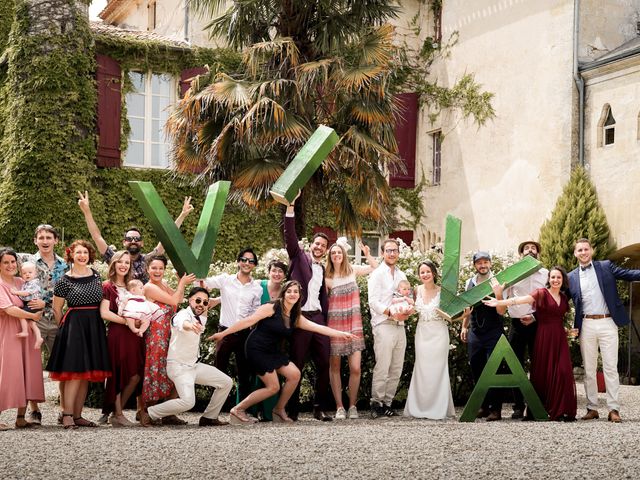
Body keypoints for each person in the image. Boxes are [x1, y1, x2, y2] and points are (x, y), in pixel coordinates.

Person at [212, 280, 355, 424]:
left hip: (272, 351)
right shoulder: (272, 307)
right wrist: (223, 334)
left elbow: (318, 328)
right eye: (289, 291)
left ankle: (279, 410)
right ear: (284, 293)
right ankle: (238, 409)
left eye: (296, 292)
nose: (292, 294)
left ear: (300, 296)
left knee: (294, 374)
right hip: (256, 349)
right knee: (273, 387)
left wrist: (341, 334)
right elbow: (248, 321)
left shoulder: (295, 316)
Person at [484, 266, 577, 421]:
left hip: (559, 339)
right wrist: (499, 301)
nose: (555, 280)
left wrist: (568, 331)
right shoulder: (541, 293)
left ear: (563, 280)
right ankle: (540, 409)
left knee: (562, 372)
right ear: (548, 279)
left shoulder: (563, 297)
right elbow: (519, 300)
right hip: (544, 337)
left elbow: (559, 317)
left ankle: (562, 409)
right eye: (552, 277)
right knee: (543, 373)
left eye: (558, 277)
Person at [568, 238, 640, 423]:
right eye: (579, 250)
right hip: (586, 325)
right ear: (575, 253)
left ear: (591, 250)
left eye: (586, 249)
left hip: (608, 322)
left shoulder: (606, 266)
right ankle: (592, 408)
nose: (583, 252)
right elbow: (558, 299)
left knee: (610, 367)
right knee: (589, 369)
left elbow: (628, 274)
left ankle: (613, 409)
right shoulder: (571, 277)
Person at [45, 240, 111, 429]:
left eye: (85, 252)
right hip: (74, 327)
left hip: (94, 325)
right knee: (74, 373)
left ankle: (77, 415)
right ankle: (66, 415)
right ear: (71, 255)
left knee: (85, 374)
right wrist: (66, 331)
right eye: (78, 252)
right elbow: (57, 309)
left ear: (90, 255)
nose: (82, 255)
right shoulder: (64, 280)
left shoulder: (96, 275)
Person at [147, 288, 232, 426]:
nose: (201, 304)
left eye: (205, 302)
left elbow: (206, 307)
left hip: (193, 366)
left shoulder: (200, 317)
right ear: (189, 300)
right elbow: (183, 324)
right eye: (197, 300)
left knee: (226, 382)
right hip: (178, 367)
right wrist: (191, 326)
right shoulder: (182, 315)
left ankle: (209, 417)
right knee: (188, 402)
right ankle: (150, 413)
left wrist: (220, 295)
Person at [282, 196, 332, 421]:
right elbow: (290, 236)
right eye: (317, 244)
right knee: (297, 363)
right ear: (311, 245)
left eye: (323, 245)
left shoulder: (323, 269)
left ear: (326, 249)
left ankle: (318, 407)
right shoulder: (298, 256)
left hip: (318, 318)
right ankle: (291, 410)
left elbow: (323, 295)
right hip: (300, 318)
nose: (319, 247)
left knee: (324, 362)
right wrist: (291, 208)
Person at [77, 191, 193, 283]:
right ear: (124, 242)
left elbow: (168, 238)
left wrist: (182, 215)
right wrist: (87, 212)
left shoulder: (147, 260)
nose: (133, 241)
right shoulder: (115, 259)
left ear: (141, 243)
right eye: (129, 239)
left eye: (137, 239)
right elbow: (97, 237)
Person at [201, 248, 263, 406]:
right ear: (238, 262)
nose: (246, 263)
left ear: (254, 265)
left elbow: (254, 313)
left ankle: (241, 410)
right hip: (224, 333)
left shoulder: (257, 288)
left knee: (244, 373)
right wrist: (205, 261)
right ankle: (213, 411)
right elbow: (202, 283)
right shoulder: (225, 280)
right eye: (243, 259)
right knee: (218, 371)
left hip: (244, 335)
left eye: (251, 261)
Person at [20, 224, 68, 425]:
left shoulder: (65, 265)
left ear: (56, 240)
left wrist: (46, 302)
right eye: (42, 237)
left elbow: (67, 291)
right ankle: (35, 410)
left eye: (49, 237)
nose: (45, 241)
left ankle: (64, 409)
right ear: (35, 240)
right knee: (32, 365)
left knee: (62, 365)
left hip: (57, 318)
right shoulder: (26, 262)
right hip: (34, 320)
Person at [325, 239, 378, 420]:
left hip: (354, 324)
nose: (337, 255)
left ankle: (352, 405)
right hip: (335, 325)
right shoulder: (327, 277)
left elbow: (375, 267)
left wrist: (367, 254)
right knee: (335, 367)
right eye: (333, 253)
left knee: (355, 367)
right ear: (330, 257)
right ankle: (340, 407)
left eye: (339, 252)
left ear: (344, 255)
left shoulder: (353, 270)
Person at [140, 255, 195, 426]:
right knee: (155, 369)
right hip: (157, 335)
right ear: (147, 269)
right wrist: (181, 284)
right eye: (154, 268)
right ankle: (146, 411)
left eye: (161, 268)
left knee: (169, 369)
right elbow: (172, 299)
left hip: (168, 333)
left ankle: (167, 412)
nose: (157, 271)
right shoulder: (149, 287)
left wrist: (180, 283)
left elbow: (178, 300)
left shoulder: (162, 285)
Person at [503, 240, 548, 419]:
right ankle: (518, 405)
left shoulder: (545, 274)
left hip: (538, 324)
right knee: (515, 365)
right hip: (516, 325)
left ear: (538, 253)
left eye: (533, 248)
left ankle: (537, 404)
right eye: (526, 248)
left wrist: (535, 316)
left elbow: (549, 300)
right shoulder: (513, 274)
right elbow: (505, 296)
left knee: (539, 365)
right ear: (521, 254)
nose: (530, 250)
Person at [0, 248, 45, 430]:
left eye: (13, 262)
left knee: (27, 371)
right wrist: (34, 316)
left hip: (27, 333)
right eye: (6, 262)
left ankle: (20, 417)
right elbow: (9, 309)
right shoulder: (0, 284)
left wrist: (41, 305)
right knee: (7, 373)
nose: (11, 265)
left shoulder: (22, 281)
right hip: (8, 332)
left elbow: (36, 300)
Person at [404, 260, 455, 419]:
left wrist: (465, 314)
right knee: (422, 368)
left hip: (439, 333)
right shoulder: (415, 290)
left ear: (433, 273)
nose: (425, 274)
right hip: (422, 333)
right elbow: (412, 311)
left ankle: (438, 408)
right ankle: (419, 407)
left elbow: (452, 313)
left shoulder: (443, 291)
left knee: (438, 369)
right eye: (422, 272)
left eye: (427, 271)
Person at [368, 239, 413, 418]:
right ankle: (376, 402)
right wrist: (390, 313)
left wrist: (407, 312)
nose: (392, 253)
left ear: (398, 253)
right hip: (383, 323)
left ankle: (387, 402)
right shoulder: (377, 274)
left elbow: (406, 297)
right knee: (383, 365)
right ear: (383, 253)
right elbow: (373, 301)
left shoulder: (402, 275)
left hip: (400, 324)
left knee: (396, 367)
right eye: (388, 250)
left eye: (395, 250)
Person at [460, 251, 506, 422]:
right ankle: (483, 406)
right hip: (475, 332)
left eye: (485, 262)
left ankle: (496, 409)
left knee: (494, 368)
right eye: (479, 263)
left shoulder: (498, 281)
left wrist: (499, 294)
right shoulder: (469, 283)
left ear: (490, 264)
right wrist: (464, 327)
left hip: (493, 331)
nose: (483, 265)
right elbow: (467, 308)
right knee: (476, 368)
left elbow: (502, 311)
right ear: (474, 266)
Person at [99, 251, 144, 427]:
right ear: (113, 264)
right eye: (120, 262)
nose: (123, 265)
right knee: (117, 373)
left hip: (135, 335)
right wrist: (127, 321)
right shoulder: (107, 286)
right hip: (118, 334)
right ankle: (118, 414)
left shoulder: (133, 286)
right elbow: (105, 312)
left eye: (127, 262)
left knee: (135, 375)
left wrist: (139, 319)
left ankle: (116, 411)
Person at [252, 259, 289, 421]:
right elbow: (240, 295)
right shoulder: (259, 285)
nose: (277, 274)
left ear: (284, 275)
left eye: (280, 271)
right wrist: (217, 300)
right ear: (269, 272)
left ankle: (269, 413)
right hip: (255, 336)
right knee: (254, 376)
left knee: (273, 374)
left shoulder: (286, 292)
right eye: (274, 270)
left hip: (274, 339)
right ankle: (249, 412)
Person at [11, 261, 44, 349]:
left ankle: (25, 331)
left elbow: (26, 293)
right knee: (32, 323)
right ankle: (39, 337)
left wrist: (15, 292)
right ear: (21, 275)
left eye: (30, 272)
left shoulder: (34, 283)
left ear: (35, 273)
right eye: (24, 273)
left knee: (21, 314)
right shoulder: (26, 283)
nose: (27, 274)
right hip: (31, 305)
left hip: (33, 304)